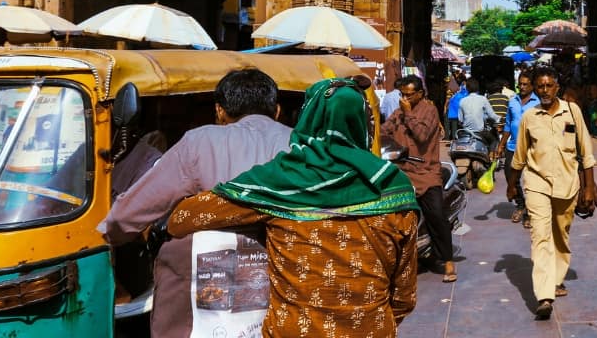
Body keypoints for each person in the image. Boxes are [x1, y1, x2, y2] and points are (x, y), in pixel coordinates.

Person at [167, 77, 420, 338]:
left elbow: (181, 219)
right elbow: (404, 298)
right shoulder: (394, 188)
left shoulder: (278, 181)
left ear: (307, 120)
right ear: (363, 124)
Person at [102, 68, 292, 338]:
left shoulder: (199, 141)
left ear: (219, 112)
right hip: (283, 278)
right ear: (277, 111)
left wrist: (110, 234)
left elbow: (129, 214)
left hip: (196, 297)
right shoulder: (300, 145)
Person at [506, 66, 597, 320]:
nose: (545, 90)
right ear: (535, 89)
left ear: (557, 87)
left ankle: (556, 278)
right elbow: (520, 155)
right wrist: (512, 184)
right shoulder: (529, 117)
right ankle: (545, 295)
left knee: (561, 234)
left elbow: (586, 152)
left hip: (568, 185)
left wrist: (589, 187)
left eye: (549, 86)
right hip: (537, 183)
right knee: (540, 236)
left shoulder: (572, 111)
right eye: (540, 86)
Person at [382, 74, 456, 282]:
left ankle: (448, 261)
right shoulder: (398, 112)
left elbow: (422, 136)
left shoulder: (429, 110)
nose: (404, 99)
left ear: (420, 94)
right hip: (403, 172)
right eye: (402, 95)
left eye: (409, 95)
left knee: (436, 216)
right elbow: (385, 130)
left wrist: (408, 114)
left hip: (426, 172)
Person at [499, 71, 540, 226]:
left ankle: (529, 213)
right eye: (520, 84)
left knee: (531, 182)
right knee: (511, 177)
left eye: (525, 84)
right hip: (513, 146)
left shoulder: (538, 103)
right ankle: (520, 204)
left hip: (532, 149)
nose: (522, 87)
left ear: (532, 86)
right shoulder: (512, 101)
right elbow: (508, 125)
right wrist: (501, 144)